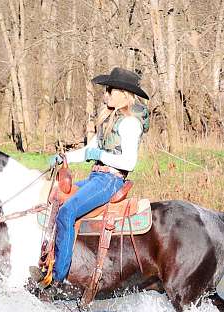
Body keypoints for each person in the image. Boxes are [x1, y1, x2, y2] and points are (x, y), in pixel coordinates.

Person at [33, 67, 150, 290]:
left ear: (123, 94)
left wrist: (100, 155)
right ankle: (48, 261)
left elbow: (129, 163)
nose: (105, 94)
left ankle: (58, 278)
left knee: (67, 212)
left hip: (110, 181)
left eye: (109, 90)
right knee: (56, 201)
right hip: (96, 177)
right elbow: (89, 150)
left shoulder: (130, 123)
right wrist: (64, 157)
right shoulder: (109, 120)